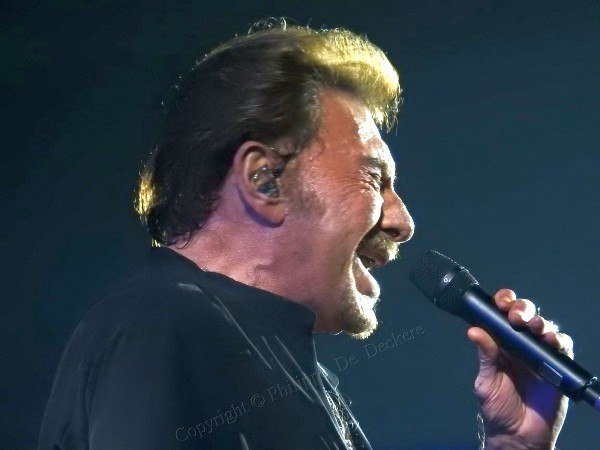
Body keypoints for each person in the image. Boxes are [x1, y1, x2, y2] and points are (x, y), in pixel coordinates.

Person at [39, 21, 573, 449]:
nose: (402, 221)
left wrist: (513, 445)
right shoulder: (164, 322)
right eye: (374, 178)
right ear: (264, 180)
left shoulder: (291, 372)